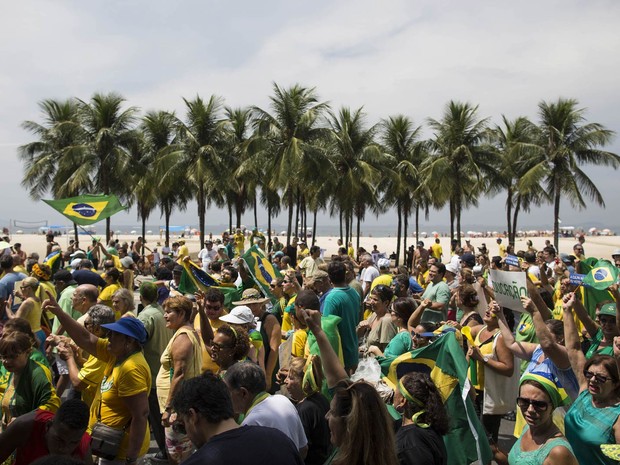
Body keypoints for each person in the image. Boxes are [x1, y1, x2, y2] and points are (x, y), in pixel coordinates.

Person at [43, 294, 151, 464]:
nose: (108, 337)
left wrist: (131, 456)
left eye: (114, 335)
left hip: (120, 451)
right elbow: (86, 339)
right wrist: (60, 313)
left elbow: (141, 414)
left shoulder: (132, 368)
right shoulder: (115, 353)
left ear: (129, 341)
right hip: (107, 443)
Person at [295, 302, 399, 465]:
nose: (326, 415)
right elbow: (339, 380)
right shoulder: (382, 453)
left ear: (350, 425)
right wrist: (318, 332)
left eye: (333, 412)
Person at [171, 372, 304, 465]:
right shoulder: (279, 439)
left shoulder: (199, 461)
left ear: (192, 416)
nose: (187, 432)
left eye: (184, 423)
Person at [562, 293, 620, 465]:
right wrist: (567, 311)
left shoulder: (617, 417)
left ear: (616, 383)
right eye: (589, 375)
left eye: (601, 378)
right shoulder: (585, 392)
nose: (593, 380)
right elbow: (572, 348)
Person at [224, 361, 308, 458]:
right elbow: (303, 449)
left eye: (228, 392)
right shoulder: (283, 400)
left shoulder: (250, 424)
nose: (225, 397)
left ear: (243, 393)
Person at [156, 296, 203, 464]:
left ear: (182, 313)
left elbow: (179, 374)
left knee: (178, 456)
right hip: (182, 405)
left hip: (178, 409)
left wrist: (169, 409)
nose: (165, 316)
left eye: (169, 312)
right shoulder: (187, 332)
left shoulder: (183, 337)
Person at [466, 302, 516, 445]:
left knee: (488, 443)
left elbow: (508, 369)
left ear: (502, 316)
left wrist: (482, 359)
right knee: (476, 438)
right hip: (473, 392)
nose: (488, 310)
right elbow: (463, 329)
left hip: (489, 396)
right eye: (488, 307)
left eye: (494, 310)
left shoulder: (501, 337)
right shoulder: (481, 329)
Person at [508, 374, 578, 465]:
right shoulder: (527, 429)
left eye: (539, 405)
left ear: (552, 407)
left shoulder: (558, 452)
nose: (530, 409)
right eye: (524, 402)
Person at [137, 281, 172, 462]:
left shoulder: (145, 316)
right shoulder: (161, 313)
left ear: (141, 297)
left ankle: (165, 452)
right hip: (164, 373)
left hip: (152, 375)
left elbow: (137, 343)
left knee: (158, 420)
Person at [0, 398, 93, 465]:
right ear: (48, 426)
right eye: (59, 440)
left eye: (73, 443)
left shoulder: (83, 448)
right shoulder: (26, 426)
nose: (64, 449)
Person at [57, 305, 115, 408]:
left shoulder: (104, 350)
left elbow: (77, 383)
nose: (84, 328)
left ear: (97, 329)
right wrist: (78, 360)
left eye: (87, 324)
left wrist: (69, 357)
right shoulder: (104, 346)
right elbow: (95, 371)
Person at [0, 332, 60, 429]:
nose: (6, 361)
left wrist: (24, 420)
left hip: (29, 437)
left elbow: (51, 405)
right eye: (4, 356)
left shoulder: (37, 374)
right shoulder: (13, 371)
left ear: (28, 352)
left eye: (13, 356)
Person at [284, 356, 332, 465]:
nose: (286, 381)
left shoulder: (304, 410)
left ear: (305, 381)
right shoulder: (320, 398)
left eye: (291, 378)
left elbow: (303, 449)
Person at [393, 372, 449, 465]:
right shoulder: (426, 423)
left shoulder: (412, 443)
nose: (394, 391)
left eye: (397, 387)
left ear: (403, 400)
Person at [322, 261, 361, 373]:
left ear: (329, 278)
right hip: (352, 351)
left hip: (339, 355)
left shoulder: (331, 298)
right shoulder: (354, 293)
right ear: (345, 274)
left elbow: (328, 330)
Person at [5, 277, 45, 352]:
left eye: (21, 287)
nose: (20, 289)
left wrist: (8, 308)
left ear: (29, 288)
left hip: (32, 336)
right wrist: (21, 296)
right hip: (40, 332)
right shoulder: (38, 299)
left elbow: (15, 321)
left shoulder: (27, 303)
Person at [357, 285, 396, 355]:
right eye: (371, 298)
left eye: (375, 300)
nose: (371, 302)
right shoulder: (375, 315)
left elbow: (387, 354)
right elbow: (359, 335)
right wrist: (360, 327)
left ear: (386, 303)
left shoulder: (387, 322)